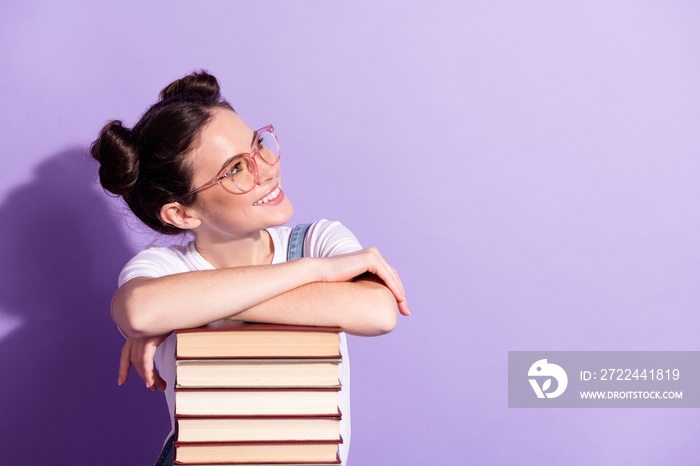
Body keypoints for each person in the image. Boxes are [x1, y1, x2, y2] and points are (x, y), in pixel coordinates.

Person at [90, 71, 409, 465]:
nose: (267, 169)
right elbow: (139, 311)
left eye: (258, 145)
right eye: (236, 169)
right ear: (182, 212)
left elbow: (377, 313)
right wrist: (314, 273)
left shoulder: (318, 240)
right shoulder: (164, 266)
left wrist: (190, 310)